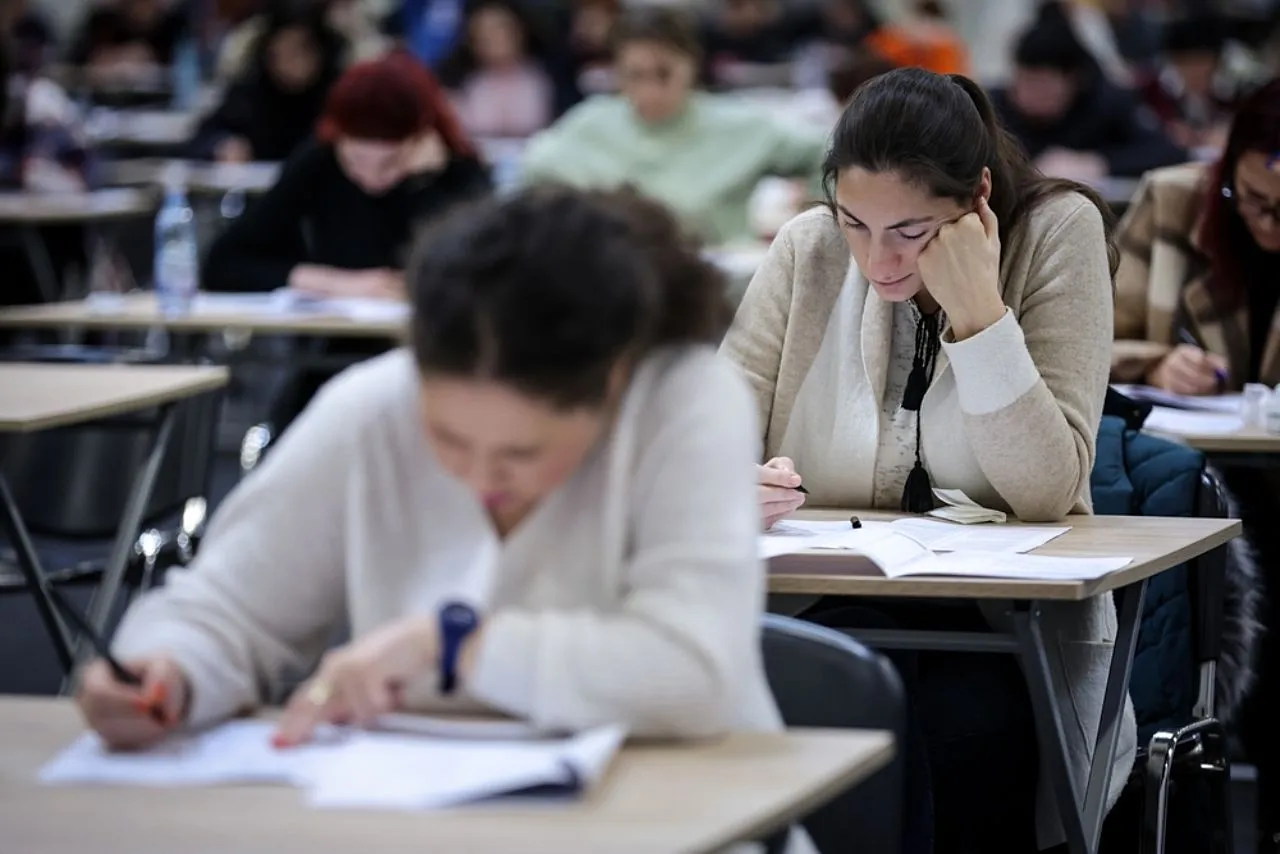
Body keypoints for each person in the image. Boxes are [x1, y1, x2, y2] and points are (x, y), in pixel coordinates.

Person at [74, 184, 814, 852]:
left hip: (683, 824)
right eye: (449, 439)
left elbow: (692, 675)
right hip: (425, 826)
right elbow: (226, 608)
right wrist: (168, 671)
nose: (478, 477)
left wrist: (453, 646)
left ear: (613, 383)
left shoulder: (684, 402)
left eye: (522, 452)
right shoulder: (374, 406)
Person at [720, 66, 1131, 852]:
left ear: (977, 197)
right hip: (822, 607)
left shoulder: (1057, 232)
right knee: (841, 679)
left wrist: (979, 313)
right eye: (855, 223)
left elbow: (1046, 490)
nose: (877, 263)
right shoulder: (809, 248)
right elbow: (706, 435)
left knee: (960, 719)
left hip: (1006, 630)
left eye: (909, 232)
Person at [1111, 78, 1280, 851]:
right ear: (1228, 174)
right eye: (1255, 201)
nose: (1269, 224)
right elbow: (1082, 336)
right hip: (1183, 472)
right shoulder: (1174, 203)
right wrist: (1153, 360)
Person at [202, 50, 490, 431]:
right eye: (355, 161)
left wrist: (423, 188)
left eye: (390, 163)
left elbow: (480, 276)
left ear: (421, 140)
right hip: (335, 364)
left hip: (432, 363)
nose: (371, 178)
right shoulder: (319, 165)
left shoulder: (456, 176)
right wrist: (333, 282)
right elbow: (223, 263)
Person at [521, 6, 827, 245]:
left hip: (718, 290)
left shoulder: (739, 125)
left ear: (691, 65)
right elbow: (532, 171)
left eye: (663, 74)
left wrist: (811, 220)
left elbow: (831, 154)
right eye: (634, 76)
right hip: (611, 292)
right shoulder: (590, 124)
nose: (649, 91)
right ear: (616, 72)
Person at [989, 1, 1186, 181]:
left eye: (1043, 85)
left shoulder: (1105, 103)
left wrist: (1098, 163)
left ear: (1074, 80)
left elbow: (1167, 151)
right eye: (1025, 81)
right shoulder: (994, 106)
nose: (1029, 94)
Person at [190, 1, 346, 163]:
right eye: (278, 54)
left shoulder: (338, 97)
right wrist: (222, 144)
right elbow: (202, 137)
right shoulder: (251, 91)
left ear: (320, 53)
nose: (288, 63)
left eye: (298, 52)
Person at [437, 0, 554, 139]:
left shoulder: (544, 78)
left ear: (519, 32)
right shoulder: (464, 84)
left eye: (500, 30)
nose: (493, 39)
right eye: (483, 34)